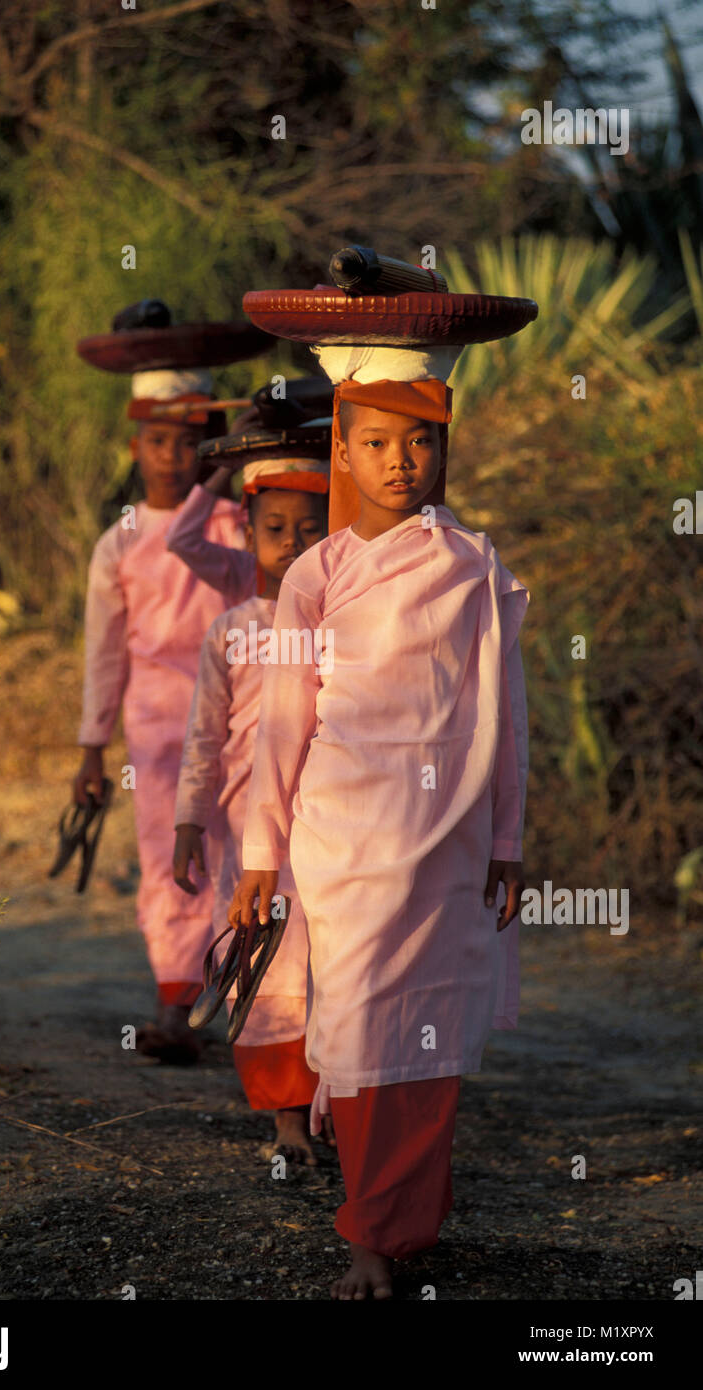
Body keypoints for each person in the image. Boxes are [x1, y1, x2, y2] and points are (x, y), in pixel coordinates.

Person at [228, 269, 535, 1297]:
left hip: (446, 841)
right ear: (342, 448)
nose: (399, 462)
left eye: (420, 441)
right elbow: (282, 723)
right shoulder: (318, 576)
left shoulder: (476, 567)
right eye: (376, 442)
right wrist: (262, 854)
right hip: (344, 841)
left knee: (431, 1032)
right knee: (359, 1028)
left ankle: (406, 1221)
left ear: (444, 446)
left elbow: (505, 710)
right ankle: (370, 1227)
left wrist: (506, 839)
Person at [74, 319, 263, 1063]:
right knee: (169, 858)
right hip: (154, 731)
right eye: (159, 440)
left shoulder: (237, 522)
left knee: (247, 852)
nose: (174, 454)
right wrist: (92, 749)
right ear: (136, 447)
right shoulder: (119, 540)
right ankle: (178, 1004)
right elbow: (103, 652)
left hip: (241, 718)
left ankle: (252, 1003)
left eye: (191, 440)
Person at [170, 425, 332, 1162]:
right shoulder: (232, 631)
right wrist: (187, 823)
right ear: (249, 532)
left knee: (329, 961)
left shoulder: (346, 627)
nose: (292, 543)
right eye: (275, 530)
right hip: (245, 830)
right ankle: (286, 1123)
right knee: (260, 962)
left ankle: (340, 1106)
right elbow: (203, 739)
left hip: (330, 825)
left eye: (309, 529)